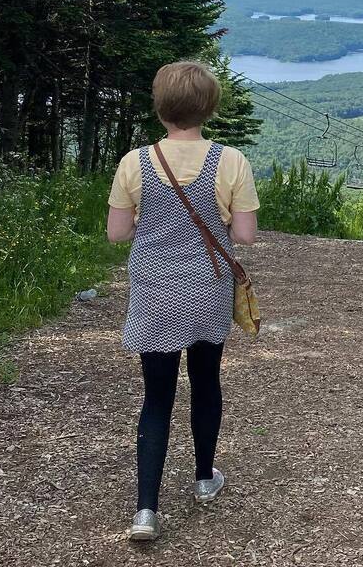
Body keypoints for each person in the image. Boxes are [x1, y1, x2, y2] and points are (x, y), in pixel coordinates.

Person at [107, 61, 260, 542]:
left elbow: (116, 234)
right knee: (206, 382)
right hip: (206, 287)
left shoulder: (135, 162)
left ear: (161, 107)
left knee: (156, 397)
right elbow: (245, 235)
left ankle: (146, 512)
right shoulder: (231, 161)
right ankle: (203, 480)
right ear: (209, 107)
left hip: (154, 289)